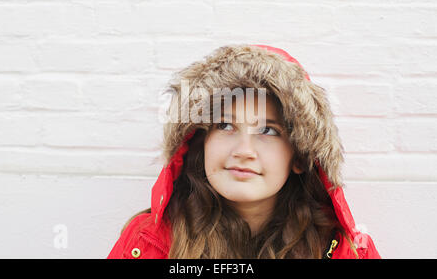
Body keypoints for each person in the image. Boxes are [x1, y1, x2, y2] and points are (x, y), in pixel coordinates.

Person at [107, 44, 381, 259]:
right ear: (200, 141)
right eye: (225, 125)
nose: (244, 150)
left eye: (268, 131)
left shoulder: (349, 252)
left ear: (298, 155)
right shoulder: (146, 244)